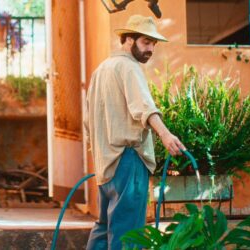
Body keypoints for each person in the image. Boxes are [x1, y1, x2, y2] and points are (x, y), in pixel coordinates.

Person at [84, 15, 186, 249]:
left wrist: (99, 154)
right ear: (128, 39)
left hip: (105, 162)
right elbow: (145, 108)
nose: (151, 49)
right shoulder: (128, 67)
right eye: (146, 42)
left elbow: (88, 120)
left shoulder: (100, 70)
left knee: (103, 227)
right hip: (128, 160)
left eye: (153, 44)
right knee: (129, 233)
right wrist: (165, 134)